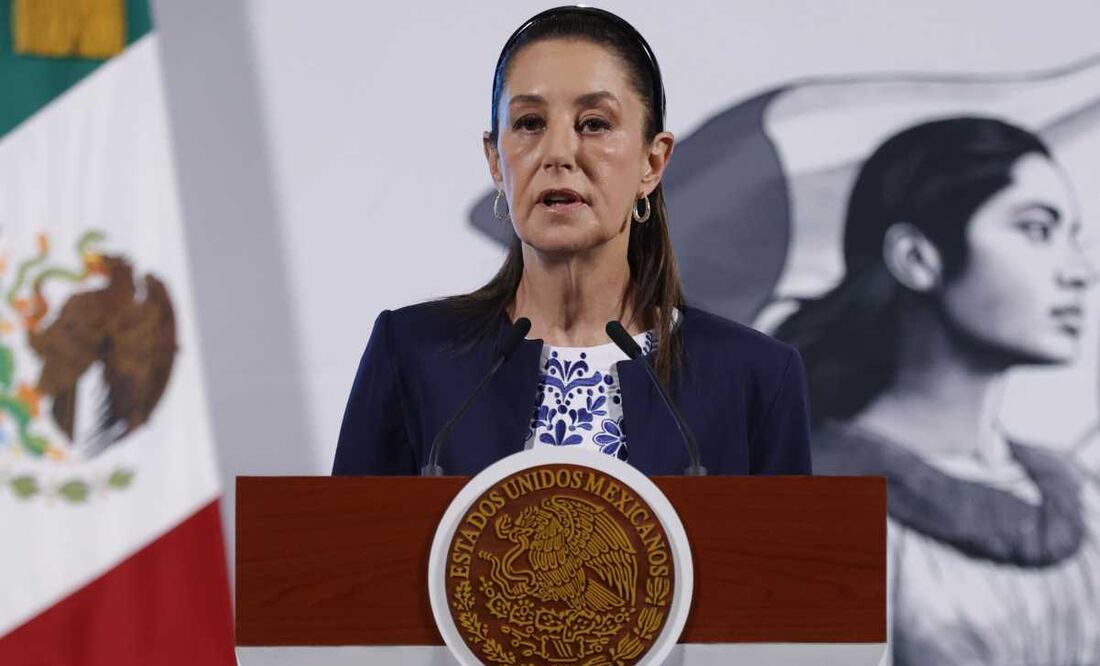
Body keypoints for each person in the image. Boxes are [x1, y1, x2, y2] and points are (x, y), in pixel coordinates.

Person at [332, 6, 811, 477]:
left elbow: (788, 556)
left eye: (594, 124)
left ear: (653, 161)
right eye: (529, 124)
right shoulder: (414, 355)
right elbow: (343, 552)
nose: (558, 154)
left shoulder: (754, 376)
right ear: (496, 160)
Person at [775, 117, 1100, 665]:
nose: (1079, 272)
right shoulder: (802, 505)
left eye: (1073, 237)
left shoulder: (1083, 496)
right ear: (917, 258)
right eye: (1038, 229)